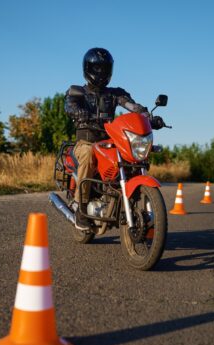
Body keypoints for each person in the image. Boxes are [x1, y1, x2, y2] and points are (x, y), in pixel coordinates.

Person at [64, 47, 164, 230]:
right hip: (86, 141)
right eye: (97, 68)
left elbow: (132, 106)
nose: (101, 72)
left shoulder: (115, 93)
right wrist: (78, 112)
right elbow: (69, 106)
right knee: (87, 154)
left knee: (130, 157)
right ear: (88, 69)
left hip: (110, 141)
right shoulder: (77, 91)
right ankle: (81, 207)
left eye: (104, 68)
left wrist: (147, 116)